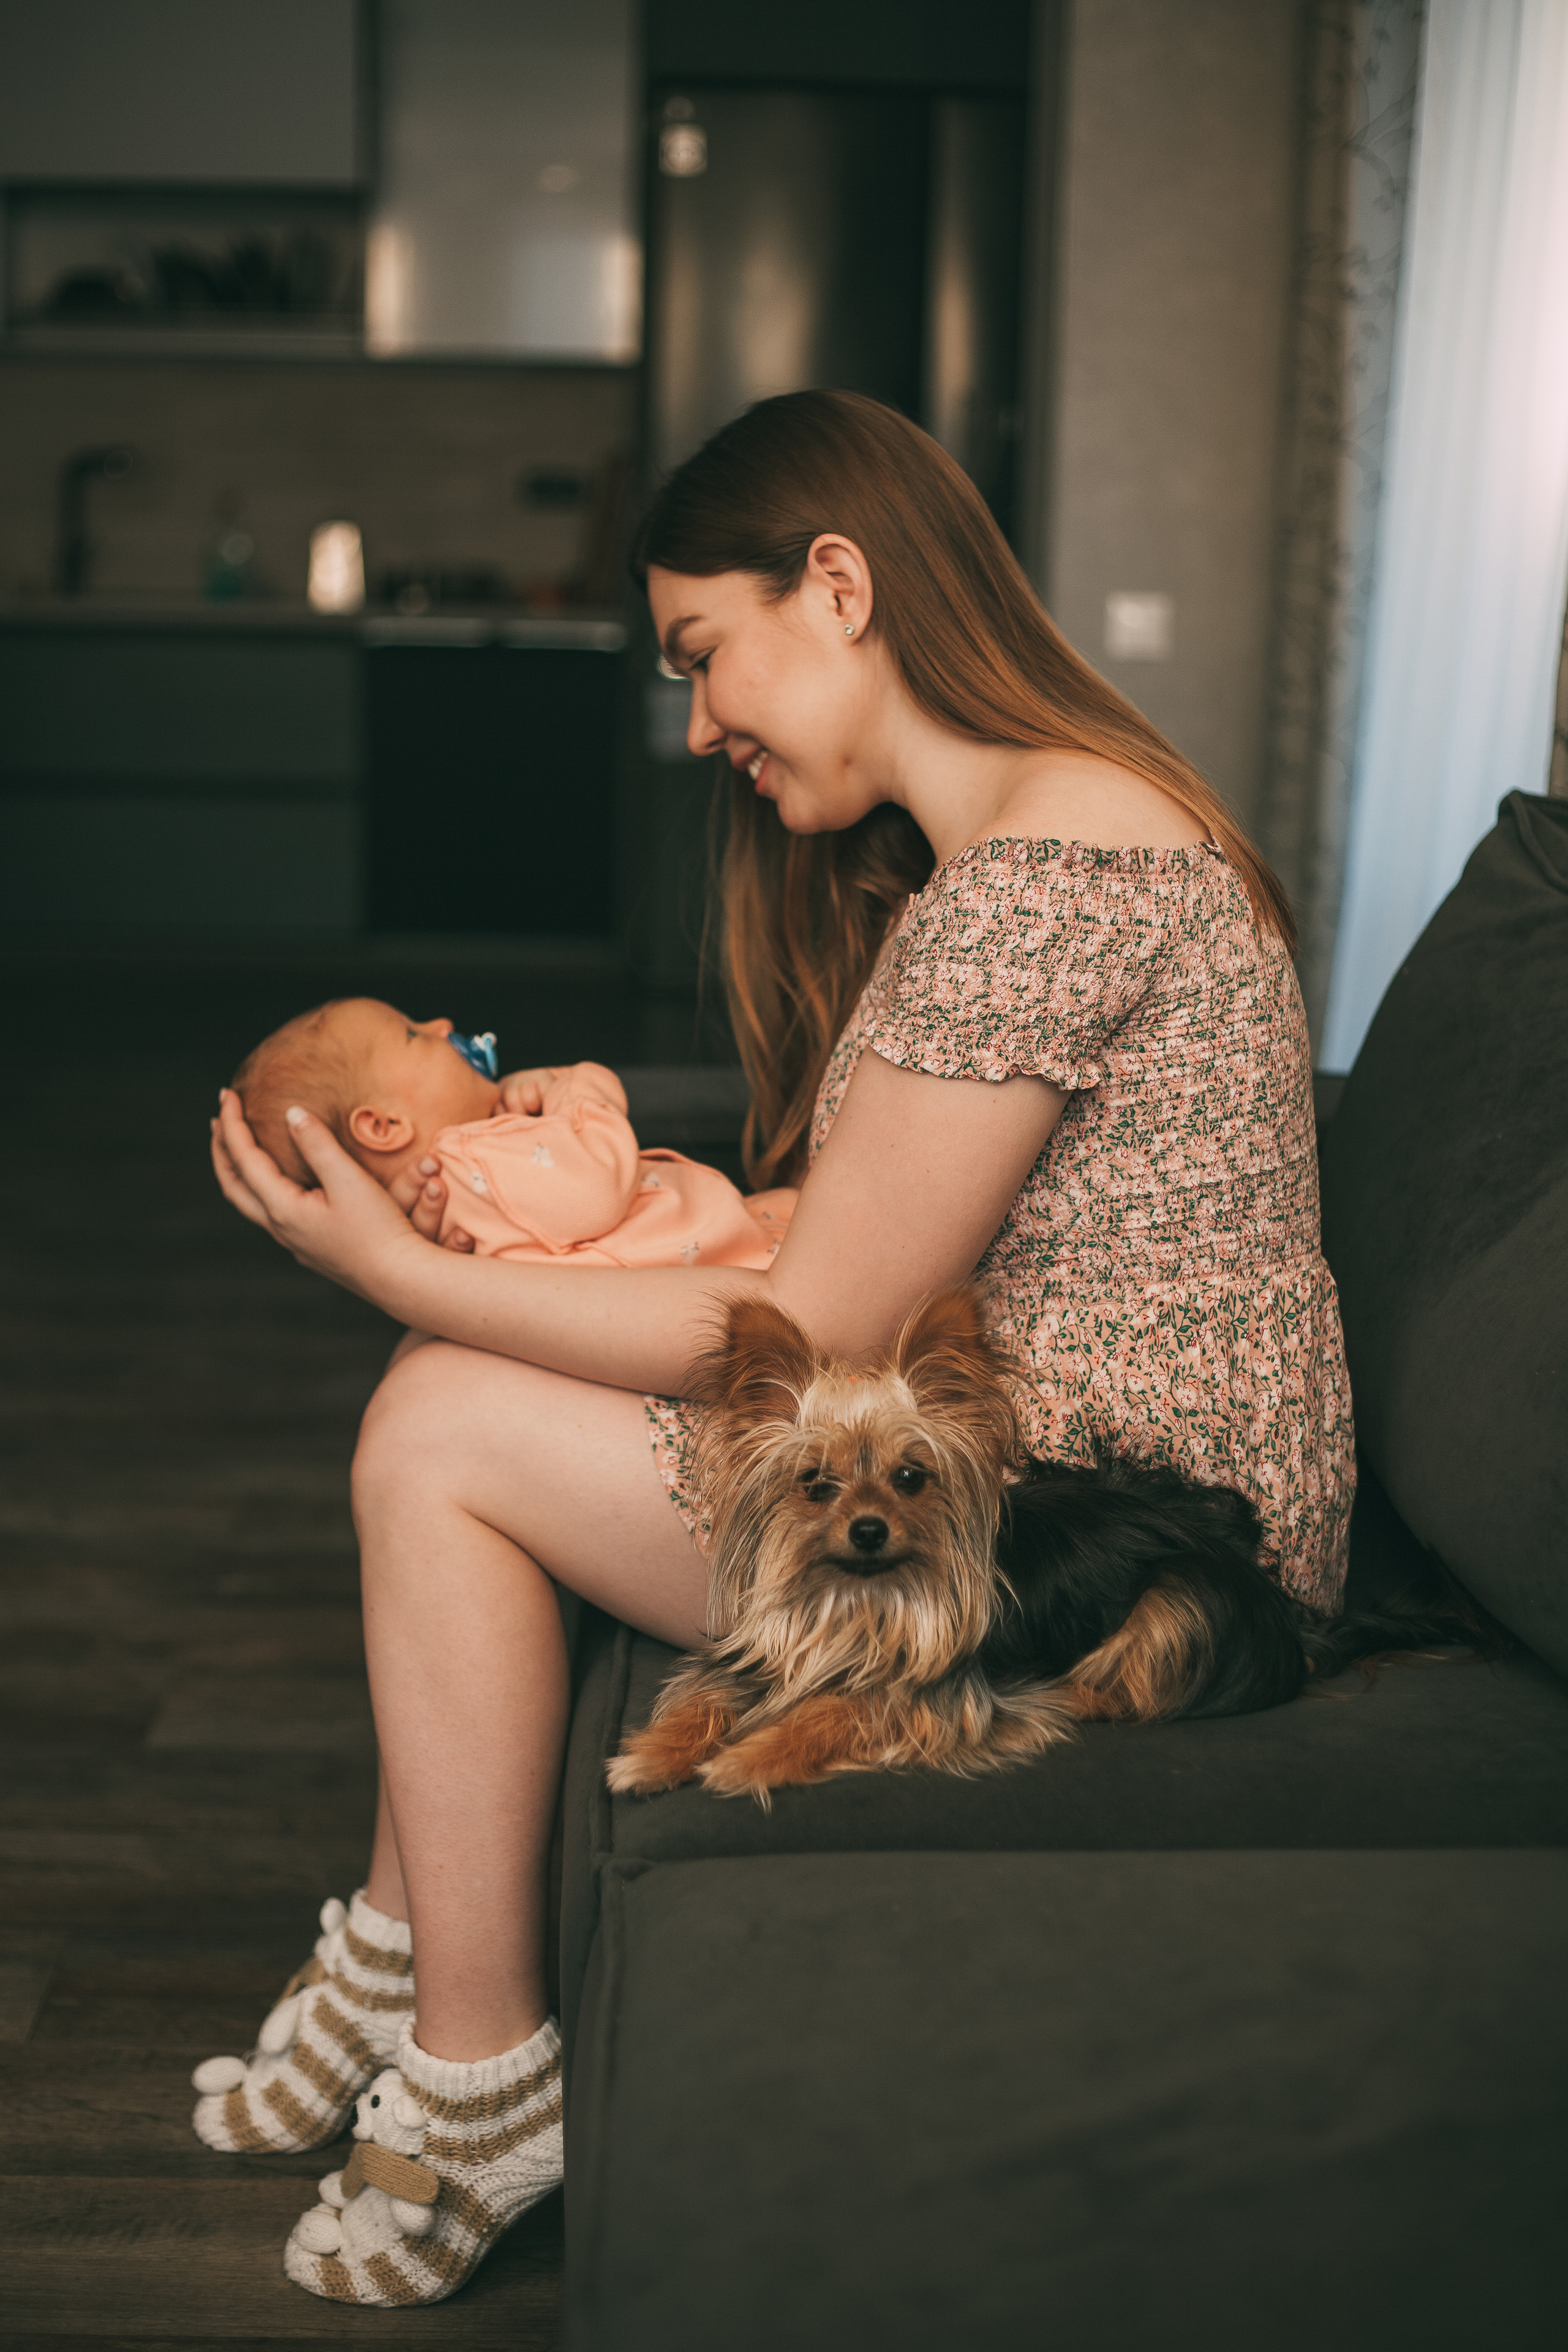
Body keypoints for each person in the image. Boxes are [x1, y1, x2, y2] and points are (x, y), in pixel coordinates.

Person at [206, 389, 1354, 2307]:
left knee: (436, 1431)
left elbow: (813, 1325)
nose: (698, 720)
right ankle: (408, 1965)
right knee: (455, 1402)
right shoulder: (1031, 839)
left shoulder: (1047, 873)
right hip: (1069, 1464)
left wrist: (394, 1274)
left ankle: (473, 2066)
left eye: (699, 653)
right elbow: (830, 1253)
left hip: (1113, 1531)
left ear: (834, 584)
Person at [229, 997, 794, 1268]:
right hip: (726, 1271)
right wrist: (573, 1086)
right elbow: (597, 1184)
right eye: (413, 1036)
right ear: (383, 1127)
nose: (442, 1026)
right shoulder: (468, 1156)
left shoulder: (465, 1180)